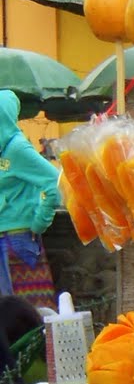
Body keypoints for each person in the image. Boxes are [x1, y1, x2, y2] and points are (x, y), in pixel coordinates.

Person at [0, 89, 61, 309]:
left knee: (29, 316)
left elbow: (55, 181)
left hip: (19, 239)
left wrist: (40, 221)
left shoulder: (17, 148)